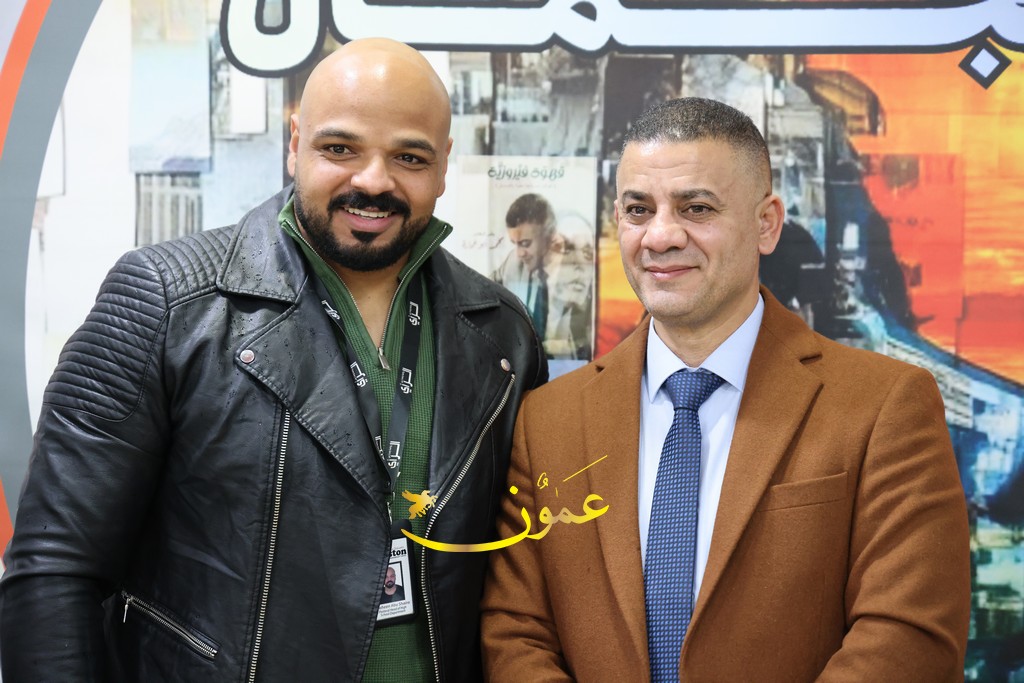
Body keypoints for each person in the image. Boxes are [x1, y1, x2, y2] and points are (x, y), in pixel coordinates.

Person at [0, 38, 546, 682]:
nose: (373, 180)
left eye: (409, 157)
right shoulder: (167, 303)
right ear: (295, 142)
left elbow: (522, 588)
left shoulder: (502, 335)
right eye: (340, 148)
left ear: (444, 163)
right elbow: (54, 571)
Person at [480, 97, 970, 681]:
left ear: (767, 224)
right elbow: (515, 632)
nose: (661, 236)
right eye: (638, 210)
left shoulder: (885, 406)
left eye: (697, 208)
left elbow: (909, 636)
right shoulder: (547, 421)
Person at [491, 192, 560, 338]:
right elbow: (481, 288)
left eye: (525, 243)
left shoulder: (574, 271)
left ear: (550, 235)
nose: (519, 253)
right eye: (515, 244)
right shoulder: (512, 262)